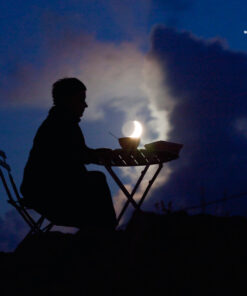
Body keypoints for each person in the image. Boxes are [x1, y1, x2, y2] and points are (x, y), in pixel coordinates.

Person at [20, 77, 117, 230]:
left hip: (44, 190)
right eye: (81, 99)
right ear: (68, 100)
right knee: (97, 181)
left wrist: (96, 154)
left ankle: (104, 231)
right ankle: (108, 232)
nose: (85, 105)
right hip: (49, 193)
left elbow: (76, 153)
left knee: (95, 183)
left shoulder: (59, 121)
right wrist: (98, 155)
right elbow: (76, 155)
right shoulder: (61, 124)